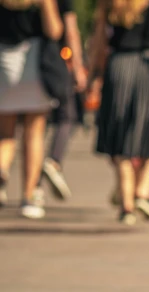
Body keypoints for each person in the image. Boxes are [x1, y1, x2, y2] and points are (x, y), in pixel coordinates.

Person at [89, 0, 149, 225]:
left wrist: (94, 73)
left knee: (120, 135)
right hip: (148, 68)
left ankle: (127, 206)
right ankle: (142, 192)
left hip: (118, 67)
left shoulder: (109, 3)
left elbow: (99, 41)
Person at [0, 0, 63, 219]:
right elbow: (54, 30)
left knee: (5, 133)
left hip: (3, 60)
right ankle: (29, 197)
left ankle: (2, 168)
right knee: (34, 132)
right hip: (34, 60)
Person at [33, 0, 87, 206]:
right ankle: (53, 161)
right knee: (67, 116)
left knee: (32, 128)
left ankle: (32, 186)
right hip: (55, 63)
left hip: (26, 64)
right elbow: (69, 32)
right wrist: (78, 67)